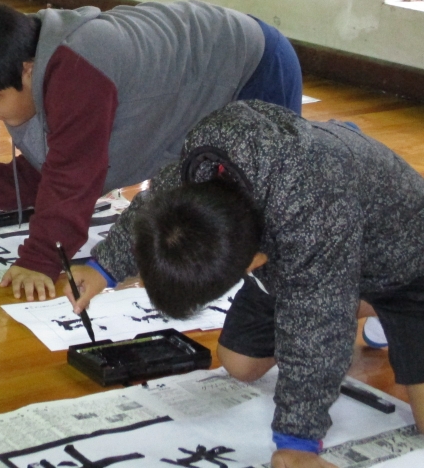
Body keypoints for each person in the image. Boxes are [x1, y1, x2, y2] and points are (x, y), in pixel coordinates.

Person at [67, 100, 424, 468]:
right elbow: (158, 204)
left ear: (253, 263)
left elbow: (317, 325)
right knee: (239, 364)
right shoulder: (205, 160)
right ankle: (357, 301)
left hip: (405, 264)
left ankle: (371, 304)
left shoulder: (312, 210)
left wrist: (297, 441)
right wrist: (102, 268)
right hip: (309, 248)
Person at [0, 0, 303, 299]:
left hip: (255, 68)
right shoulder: (26, 53)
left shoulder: (77, 70)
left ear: (27, 70)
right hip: (214, 65)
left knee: (268, 221)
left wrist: (40, 259)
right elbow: (48, 172)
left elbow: (71, 178)